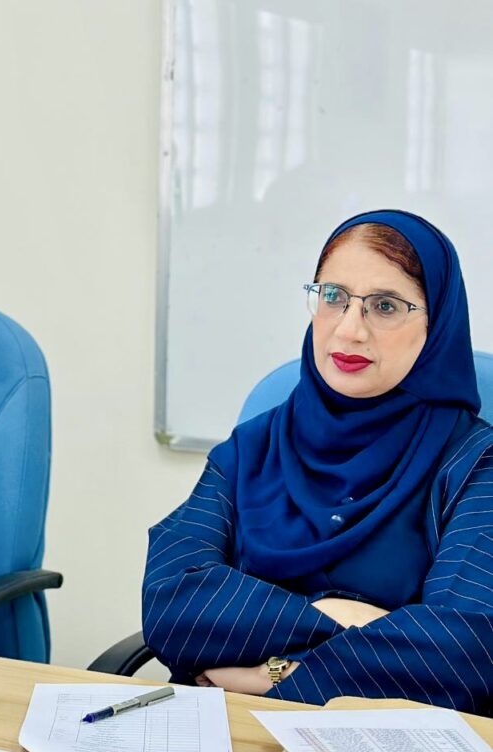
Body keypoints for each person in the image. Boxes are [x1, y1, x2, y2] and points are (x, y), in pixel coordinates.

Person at [142, 210, 493, 716]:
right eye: (333, 297)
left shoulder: (474, 465)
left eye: (385, 306)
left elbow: (464, 653)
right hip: (221, 732)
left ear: (437, 323)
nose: (349, 330)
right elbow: (171, 602)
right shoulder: (253, 447)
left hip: (379, 745)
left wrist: (272, 675)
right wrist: (338, 615)